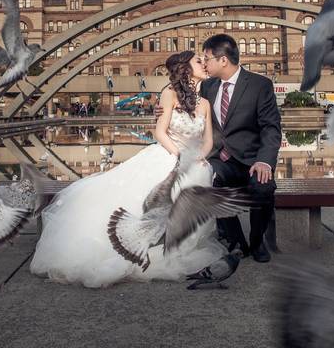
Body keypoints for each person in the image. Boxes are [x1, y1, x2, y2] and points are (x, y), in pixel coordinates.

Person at [31, 51, 223, 288]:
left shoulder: (204, 103)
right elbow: (160, 132)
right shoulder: (169, 93)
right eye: (198, 61)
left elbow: (208, 141)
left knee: (201, 174)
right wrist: (180, 155)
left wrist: (199, 157)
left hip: (192, 158)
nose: (203, 64)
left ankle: (178, 243)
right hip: (170, 153)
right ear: (184, 68)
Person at [200, 34, 281, 263]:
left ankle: (257, 242)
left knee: (263, 186)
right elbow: (192, 114)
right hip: (220, 159)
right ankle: (236, 241)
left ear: (223, 60)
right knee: (208, 181)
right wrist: (163, 111)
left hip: (251, 159)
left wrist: (265, 160)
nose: (204, 63)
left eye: (207, 58)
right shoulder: (207, 86)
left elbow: (271, 128)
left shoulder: (259, 85)